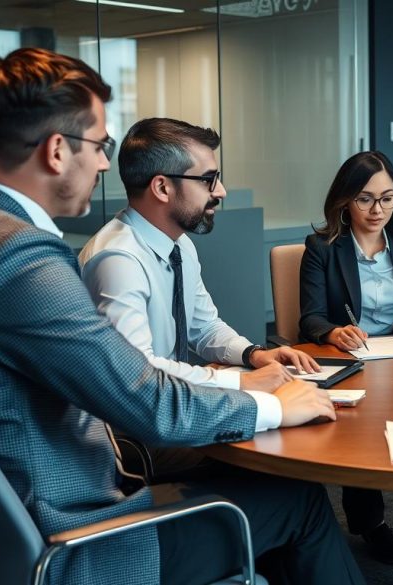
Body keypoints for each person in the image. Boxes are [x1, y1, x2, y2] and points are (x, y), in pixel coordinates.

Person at [0, 48, 363, 584]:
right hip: (76, 541)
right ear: (56, 151)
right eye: (99, 146)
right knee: (297, 502)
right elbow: (147, 401)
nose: (101, 163)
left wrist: (252, 366)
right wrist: (272, 404)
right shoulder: (19, 258)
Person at [79, 117, 322, 478]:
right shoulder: (119, 259)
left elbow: (204, 326)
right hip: (138, 434)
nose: (220, 191)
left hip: (176, 407)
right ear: (162, 187)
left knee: (292, 445)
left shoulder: (179, 244)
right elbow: (140, 372)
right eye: (208, 179)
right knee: (286, 462)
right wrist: (241, 382)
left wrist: (253, 355)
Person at [299, 150, 393, 564]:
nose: (377, 209)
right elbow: (310, 318)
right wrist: (333, 331)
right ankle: (371, 524)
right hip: (354, 361)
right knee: (360, 432)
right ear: (345, 199)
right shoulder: (322, 248)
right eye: (365, 199)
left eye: (388, 198)